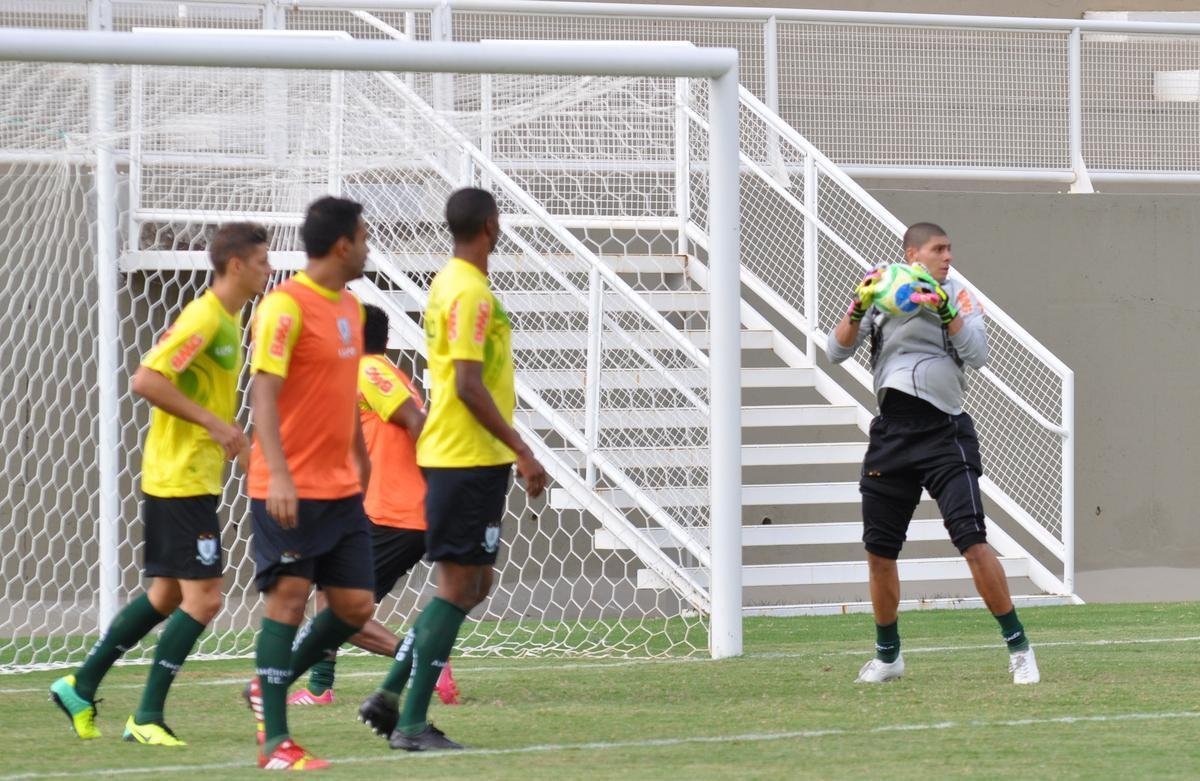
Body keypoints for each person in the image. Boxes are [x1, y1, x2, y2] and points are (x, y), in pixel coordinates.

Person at [50, 222, 271, 745]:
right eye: (262, 261)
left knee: (167, 596)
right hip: (179, 478)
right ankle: (146, 716)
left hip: (190, 476)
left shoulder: (230, 321)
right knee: (206, 600)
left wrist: (234, 442)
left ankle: (81, 685)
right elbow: (146, 379)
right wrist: (217, 425)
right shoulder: (204, 317)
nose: (268, 269)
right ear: (235, 265)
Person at [357, 187, 546, 752]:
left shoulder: (452, 282)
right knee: (458, 585)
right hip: (465, 458)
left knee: (475, 583)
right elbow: (465, 384)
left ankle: (390, 695)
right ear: (491, 225)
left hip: (466, 459)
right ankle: (409, 723)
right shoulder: (467, 291)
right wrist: (522, 448)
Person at [828, 222, 1039, 686]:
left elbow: (980, 355)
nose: (948, 257)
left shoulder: (958, 294)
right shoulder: (881, 286)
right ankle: (888, 658)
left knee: (972, 540)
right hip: (892, 436)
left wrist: (946, 311)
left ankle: (1020, 647)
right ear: (912, 254)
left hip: (945, 433)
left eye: (949, 249)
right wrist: (858, 305)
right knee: (879, 554)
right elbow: (834, 351)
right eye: (938, 249)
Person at [241, 196, 377, 771]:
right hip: (288, 486)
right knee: (290, 599)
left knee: (353, 606)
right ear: (343, 243)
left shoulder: (351, 308)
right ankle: (276, 742)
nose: (369, 246)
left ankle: (263, 685)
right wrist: (279, 474)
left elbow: (342, 392)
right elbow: (263, 393)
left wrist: (360, 457)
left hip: (341, 487)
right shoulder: (283, 306)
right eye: (365, 237)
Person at [288, 304, 460, 708]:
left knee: (340, 613)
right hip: (382, 511)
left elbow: (418, 424)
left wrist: (438, 488)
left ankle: (421, 661)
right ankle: (319, 688)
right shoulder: (374, 372)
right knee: (329, 597)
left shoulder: (370, 371)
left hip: (396, 513)